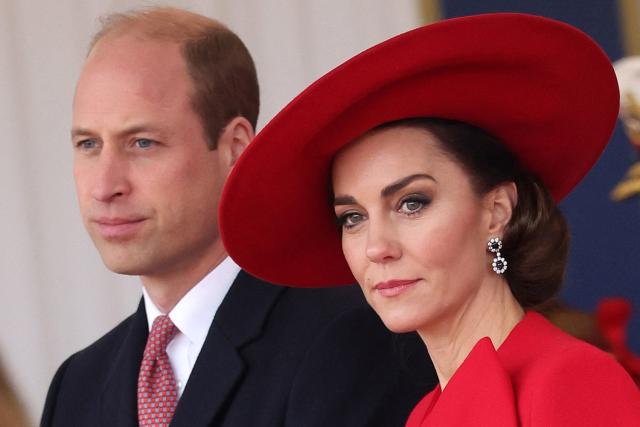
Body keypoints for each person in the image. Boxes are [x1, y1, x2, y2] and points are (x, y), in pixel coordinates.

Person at [219, 13, 640, 426]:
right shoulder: (425, 413)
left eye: (412, 203)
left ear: (496, 212)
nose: (377, 247)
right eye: (352, 218)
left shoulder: (570, 380)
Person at [40, 7, 437, 427]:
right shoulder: (75, 386)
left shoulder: (346, 338)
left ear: (235, 147)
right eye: (88, 144)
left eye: (142, 143)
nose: (104, 186)